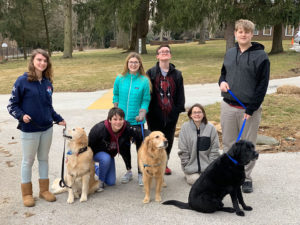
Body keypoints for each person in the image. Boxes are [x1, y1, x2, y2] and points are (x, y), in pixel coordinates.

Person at [7, 49, 66, 207]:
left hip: (47, 129)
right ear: (33, 61)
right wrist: (21, 116)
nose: (42, 63)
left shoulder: (48, 83)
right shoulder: (22, 81)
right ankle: (27, 193)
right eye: (39, 60)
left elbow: (49, 107)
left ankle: (44, 190)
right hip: (29, 130)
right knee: (28, 161)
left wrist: (58, 119)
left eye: (45, 61)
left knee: (44, 159)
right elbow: (11, 105)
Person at [218, 19, 270, 193]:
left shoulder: (261, 56)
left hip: (249, 110)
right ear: (235, 33)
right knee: (228, 143)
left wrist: (251, 108)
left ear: (251, 34)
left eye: (247, 32)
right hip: (228, 106)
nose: (243, 34)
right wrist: (222, 82)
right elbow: (223, 73)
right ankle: (229, 174)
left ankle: (246, 177)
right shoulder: (230, 53)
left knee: (247, 145)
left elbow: (263, 85)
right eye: (240, 31)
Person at [146, 44, 185, 175]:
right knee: (155, 140)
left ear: (170, 55)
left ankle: (165, 164)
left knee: (168, 139)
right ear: (157, 56)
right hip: (154, 114)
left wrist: (177, 110)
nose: (164, 53)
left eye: (167, 51)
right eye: (161, 51)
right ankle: (153, 165)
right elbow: (148, 93)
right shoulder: (150, 73)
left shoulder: (177, 74)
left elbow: (180, 94)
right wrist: (148, 110)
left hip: (171, 114)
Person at [113, 55, 151, 186]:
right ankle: (128, 171)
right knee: (124, 147)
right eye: (131, 62)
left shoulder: (144, 81)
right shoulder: (120, 78)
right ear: (127, 63)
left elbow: (146, 100)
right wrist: (115, 110)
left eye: (136, 62)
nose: (133, 64)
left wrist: (142, 113)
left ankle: (141, 173)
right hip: (122, 122)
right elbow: (115, 95)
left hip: (137, 121)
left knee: (140, 149)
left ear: (140, 64)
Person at [88, 107, 145, 190]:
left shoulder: (126, 127)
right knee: (105, 158)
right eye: (115, 119)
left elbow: (140, 133)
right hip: (96, 153)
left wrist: (152, 137)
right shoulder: (99, 129)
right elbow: (87, 145)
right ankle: (100, 182)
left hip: (109, 155)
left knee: (111, 182)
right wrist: (73, 155)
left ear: (124, 120)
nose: (118, 122)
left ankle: (96, 168)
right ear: (109, 120)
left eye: (121, 119)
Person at [178, 103, 220, 185]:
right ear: (190, 115)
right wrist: (186, 165)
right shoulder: (185, 128)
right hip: (191, 168)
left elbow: (215, 149)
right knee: (197, 181)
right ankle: (189, 175)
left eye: (199, 112)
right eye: (194, 112)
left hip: (208, 167)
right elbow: (183, 150)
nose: (197, 114)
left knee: (215, 180)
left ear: (203, 114)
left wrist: (211, 167)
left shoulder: (211, 128)